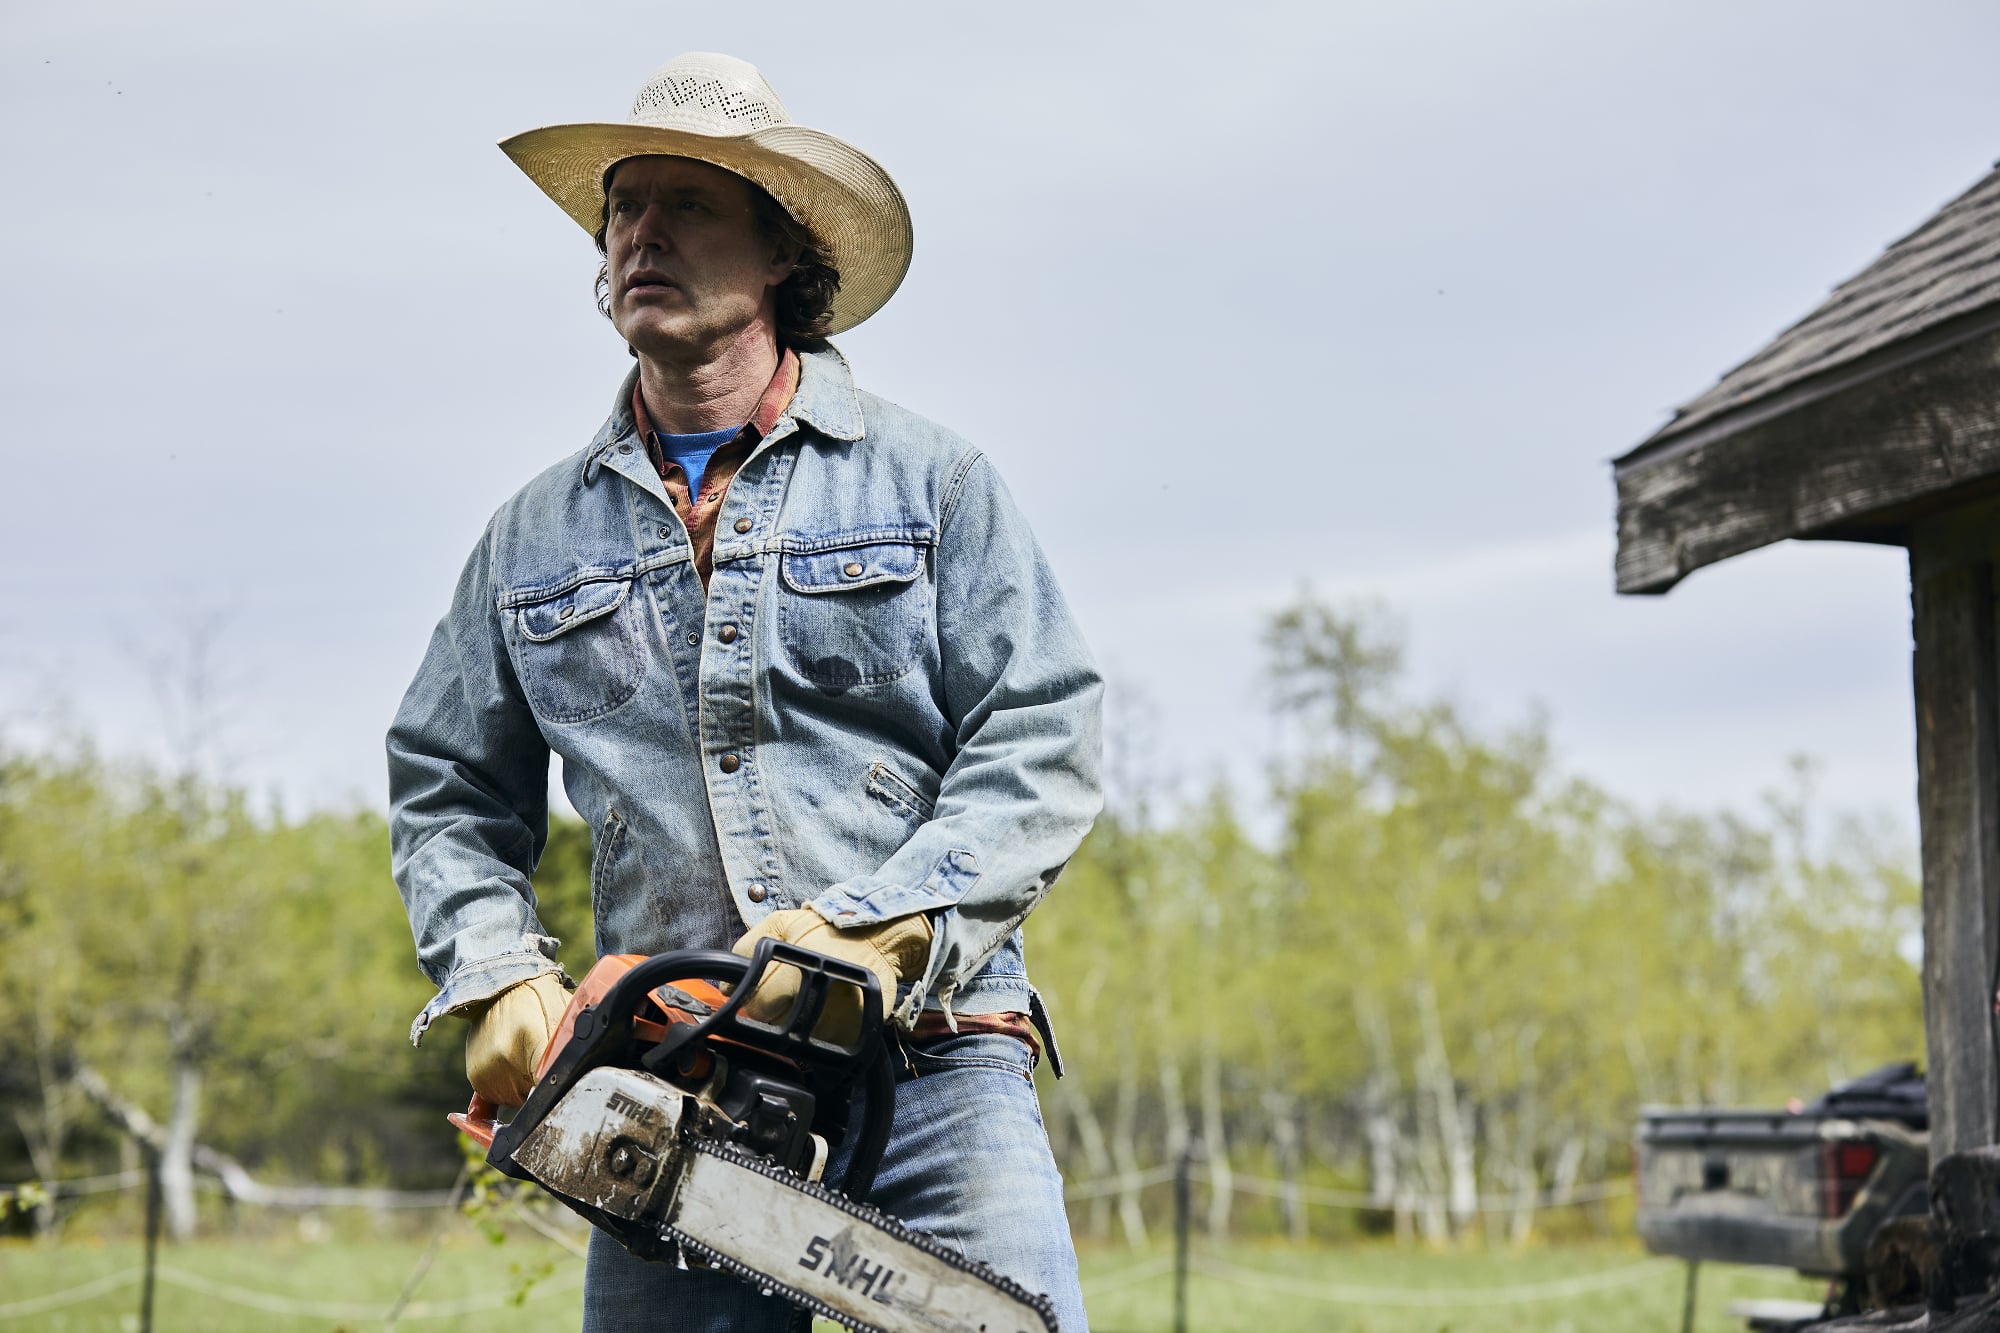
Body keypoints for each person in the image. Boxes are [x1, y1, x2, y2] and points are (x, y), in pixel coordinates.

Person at [385, 52, 1102, 1332]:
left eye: (688, 204)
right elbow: (447, 790)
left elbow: (1041, 738)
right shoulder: (530, 536)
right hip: (676, 1077)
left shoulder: (930, 485)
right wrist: (501, 974)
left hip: (934, 1045)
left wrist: (870, 929)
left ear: (782, 251)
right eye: (623, 209)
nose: (641, 235)